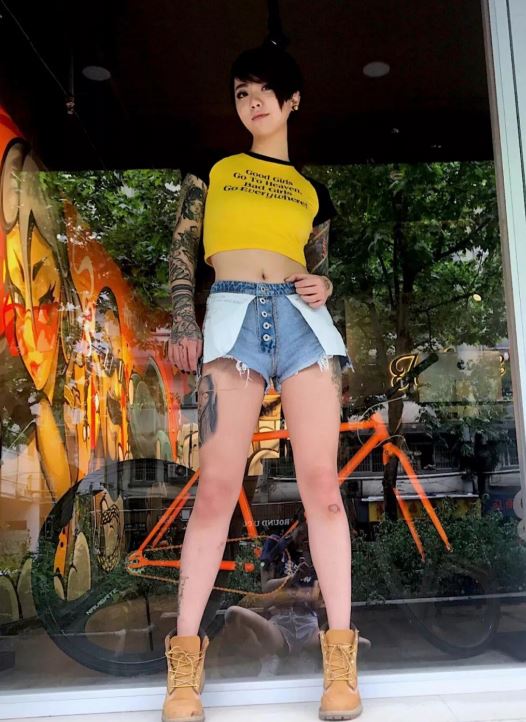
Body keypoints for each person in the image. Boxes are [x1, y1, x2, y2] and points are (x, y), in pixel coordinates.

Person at [163, 42, 362, 722]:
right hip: (231, 316)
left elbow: (318, 268)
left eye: (264, 90)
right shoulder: (213, 170)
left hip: (304, 325)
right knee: (217, 488)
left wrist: (324, 285)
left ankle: (340, 666)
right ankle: (184, 673)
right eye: (241, 92)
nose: (252, 102)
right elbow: (182, 249)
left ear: (292, 100)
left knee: (323, 490)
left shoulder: (313, 192)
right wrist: (182, 322)